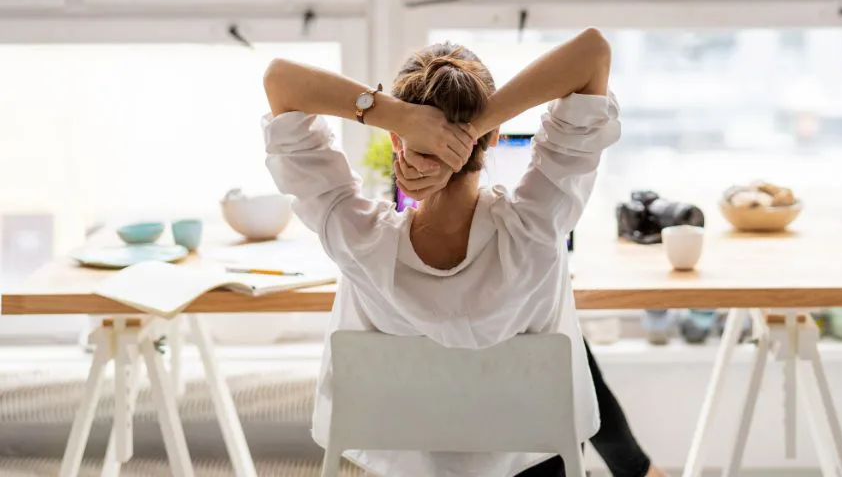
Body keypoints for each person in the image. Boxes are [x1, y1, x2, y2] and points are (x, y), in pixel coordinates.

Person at [263, 30, 662, 477]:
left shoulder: (356, 239)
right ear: (494, 140)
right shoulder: (538, 227)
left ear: (395, 140)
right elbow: (591, 52)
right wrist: (472, 126)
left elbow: (281, 81)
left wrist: (395, 116)